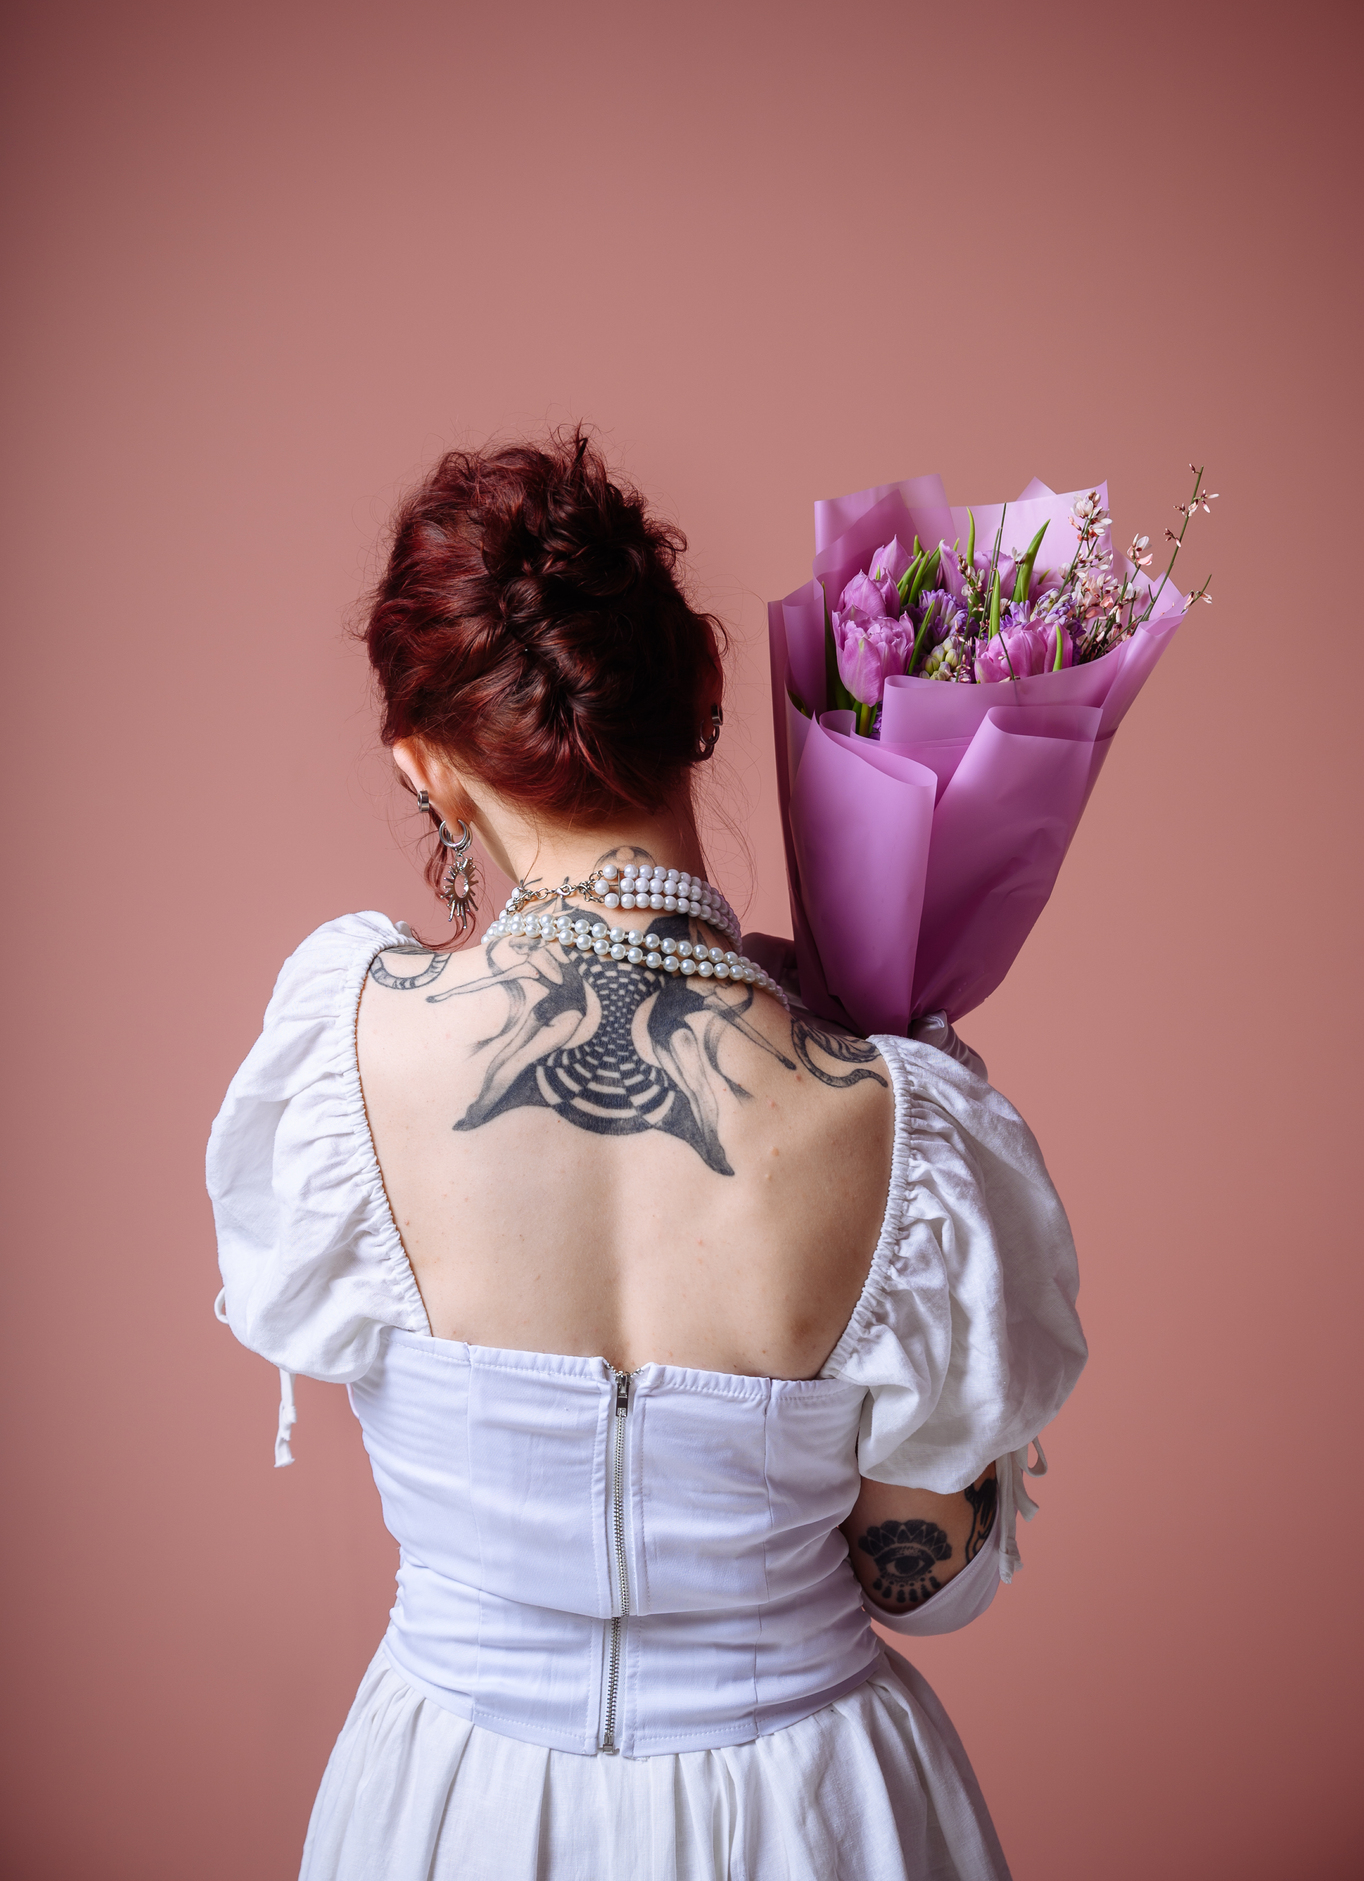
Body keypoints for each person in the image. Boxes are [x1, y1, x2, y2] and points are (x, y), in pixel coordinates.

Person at [207, 430, 1086, 1880]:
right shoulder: (904, 1124)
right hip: (814, 1814)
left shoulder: (340, 1050)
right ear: (708, 692)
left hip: (453, 1809)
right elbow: (921, 1585)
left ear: (427, 770)